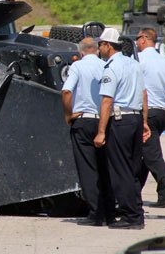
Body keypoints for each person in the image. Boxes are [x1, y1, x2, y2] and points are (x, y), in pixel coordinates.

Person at [94, 27, 151, 230]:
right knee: (133, 169)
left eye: (100, 44)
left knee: (121, 170)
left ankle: (131, 216)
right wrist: (144, 121)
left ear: (108, 46)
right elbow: (144, 95)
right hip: (135, 119)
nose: (99, 48)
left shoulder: (111, 68)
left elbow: (107, 101)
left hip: (120, 121)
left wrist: (101, 132)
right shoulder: (134, 64)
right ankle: (137, 213)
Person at [61, 37, 114, 226]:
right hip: (104, 121)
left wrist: (68, 115)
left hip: (83, 121)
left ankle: (95, 214)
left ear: (81, 52)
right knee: (105, 168)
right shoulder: (106, 65)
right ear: (97, 50)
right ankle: (110, 212)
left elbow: (66, 91)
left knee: (88, 169)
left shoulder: (77, 67)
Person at [135, 28, 165, 208]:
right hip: (162, 113)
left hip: (146, 114)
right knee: (145, 155)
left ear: (143, 39)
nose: (135, 42)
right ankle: (134, 194)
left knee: (152, 156)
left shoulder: (139, 60)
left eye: (137, 38)